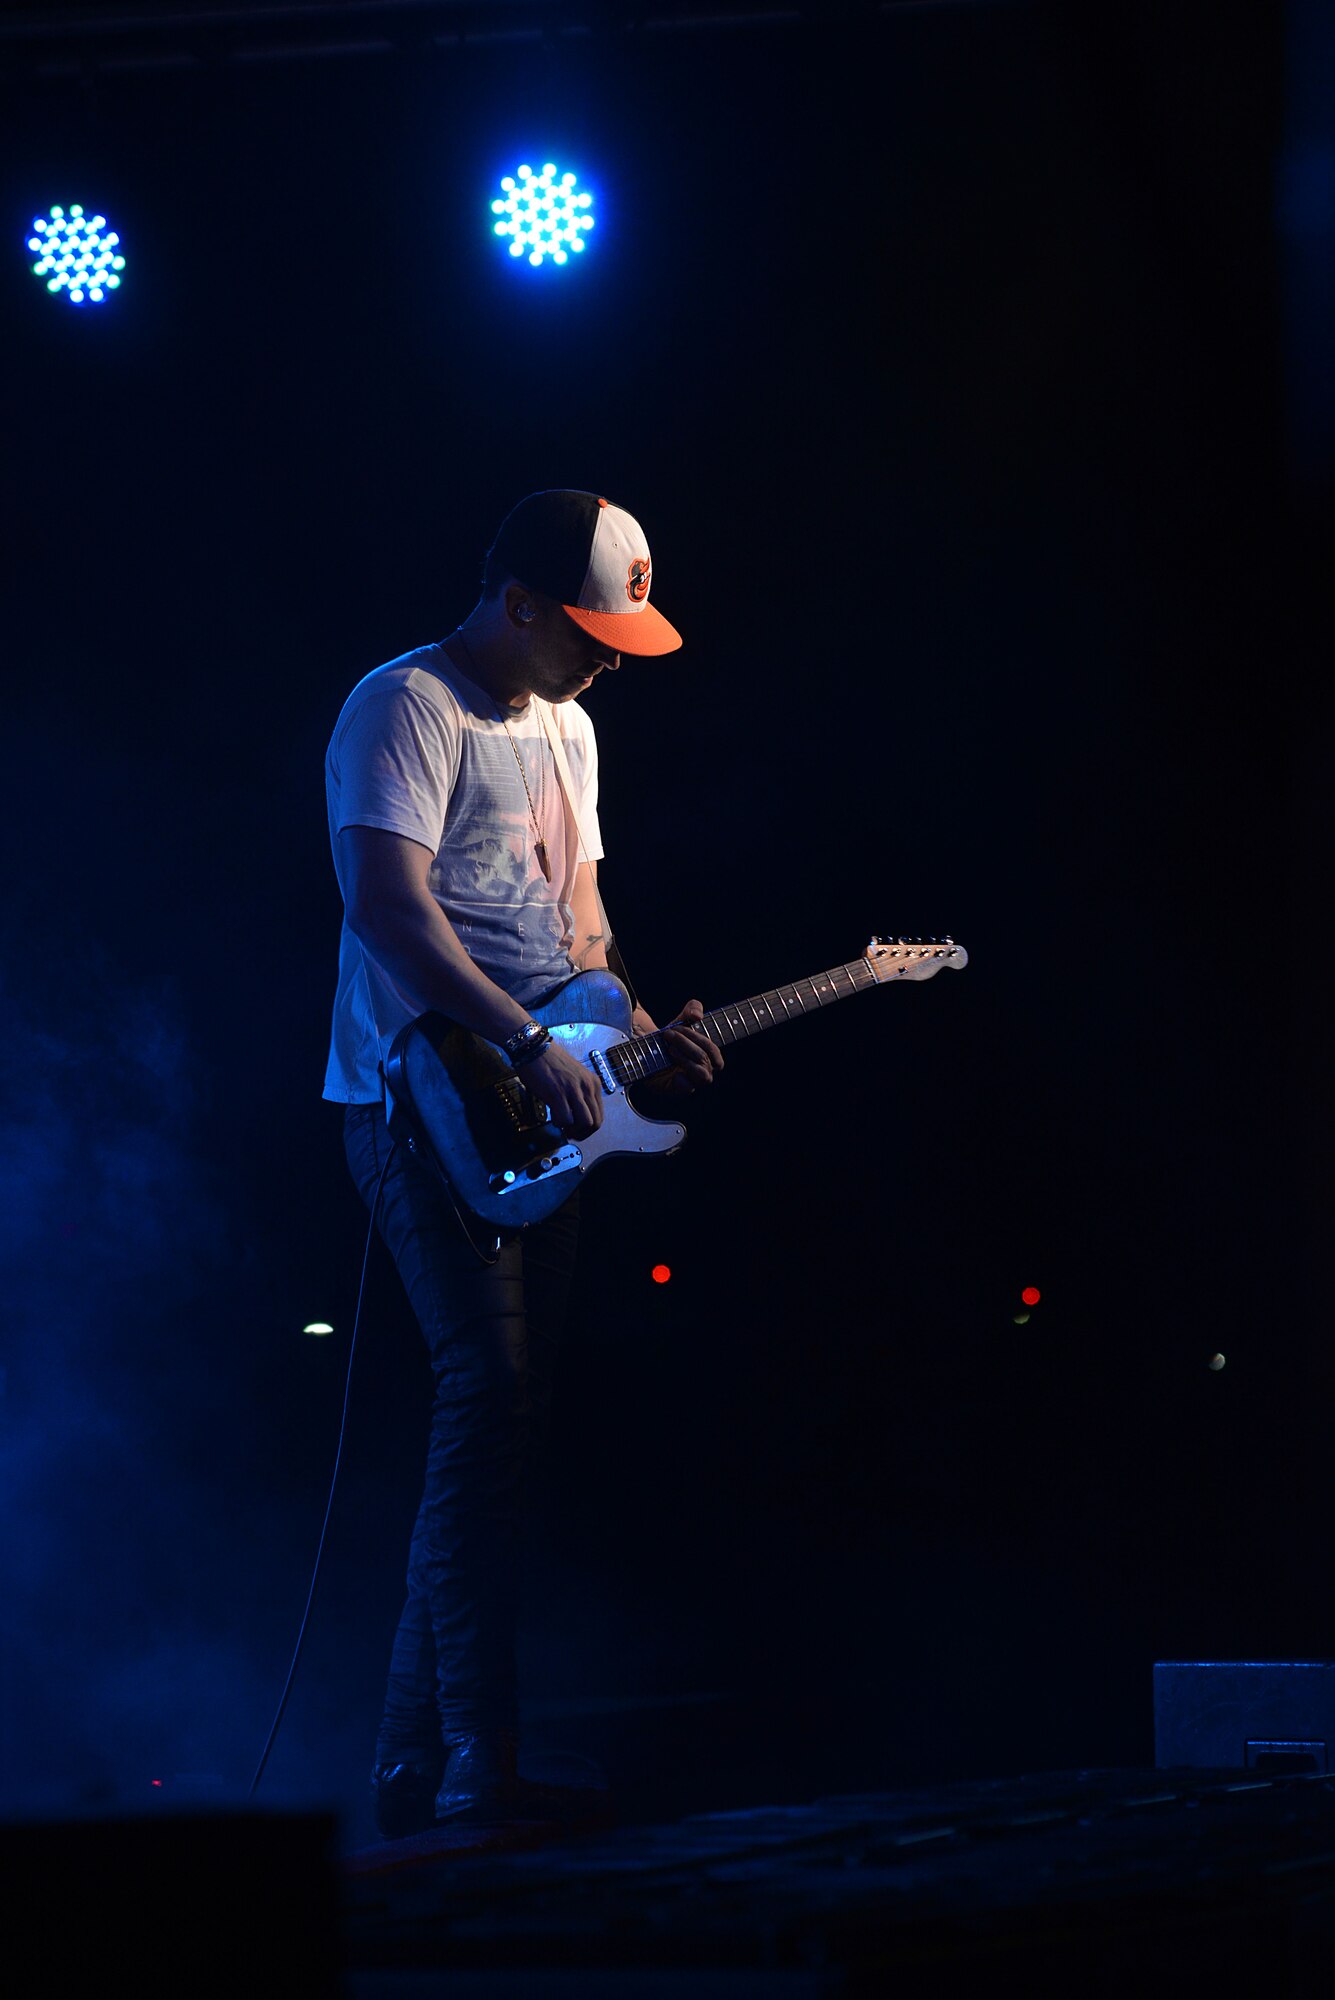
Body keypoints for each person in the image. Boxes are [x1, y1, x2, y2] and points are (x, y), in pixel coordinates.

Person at [323, 489, 723, 1836]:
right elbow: (388, 907)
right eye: (592, 633)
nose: (611, 657)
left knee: (498, 1427)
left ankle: (412, 1765)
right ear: (519, 607)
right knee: (484, 1401)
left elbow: (582, 923)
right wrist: (517, 1038)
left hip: (540, 1103)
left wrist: (632, 1034)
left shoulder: (572, 727)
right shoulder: (404, 706)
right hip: (413, 1101)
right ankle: (475, 1770)